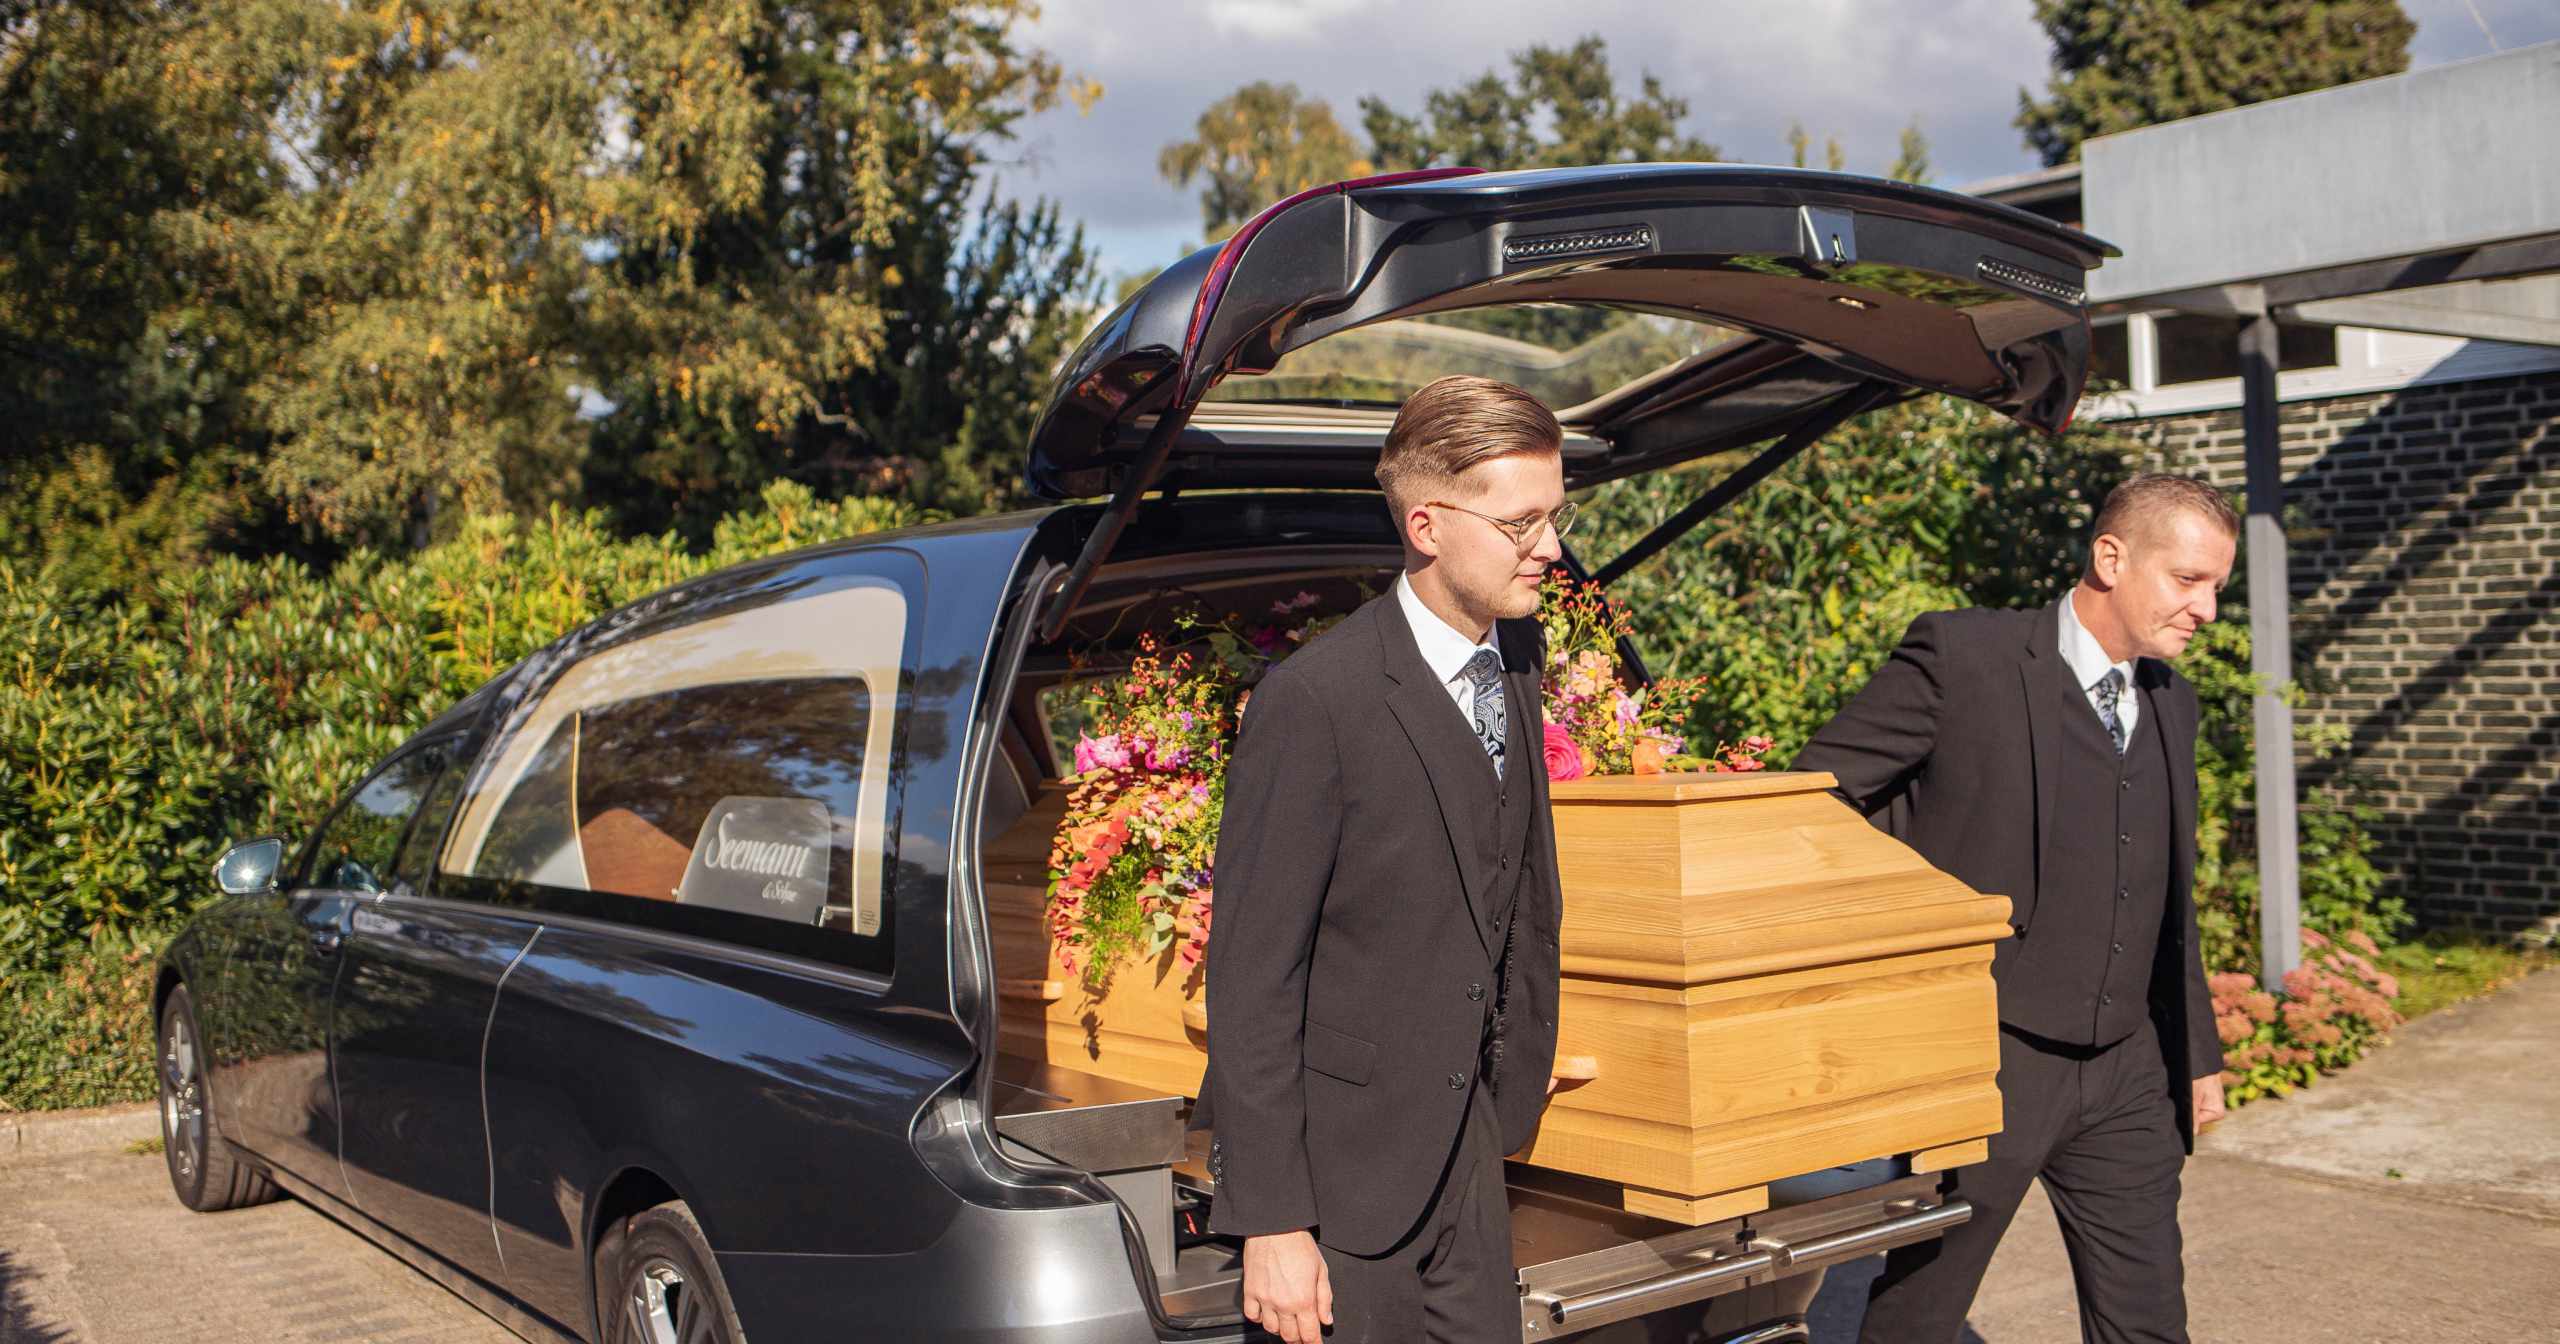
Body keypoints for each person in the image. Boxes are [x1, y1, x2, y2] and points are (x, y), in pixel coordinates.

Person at [1792, 473, 2239, 1344]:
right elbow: (1815, 802)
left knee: (2149, 1317)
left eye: (2217, 586)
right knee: (1920, 1312)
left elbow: (2167, 896)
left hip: (2126, 1066)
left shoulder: (2170, 701)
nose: (2207, 609)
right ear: (2110, 558)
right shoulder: (1966, 658)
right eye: (2189, 580)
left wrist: (2197, 1053)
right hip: (1987, 1055)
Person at [1194, 374, 1571, 1344]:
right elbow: (1253, 977)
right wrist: (1273, 1221)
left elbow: (1518, 893)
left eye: (1554, 517)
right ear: (1427, 526)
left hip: (1468, 1159)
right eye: (1521, 524)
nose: (1550, 549)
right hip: (1339, 1189)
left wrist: (1513, 1077)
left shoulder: (1516, 660)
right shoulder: (1314, 702)